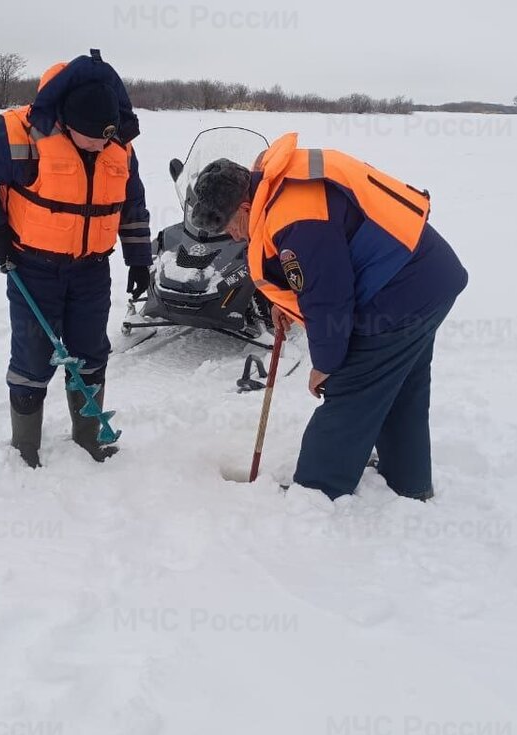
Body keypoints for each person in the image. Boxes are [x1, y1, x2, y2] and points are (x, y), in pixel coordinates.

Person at [188, 133, 468, 500]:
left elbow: (329, 297)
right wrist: (284, 302)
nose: (234, 236)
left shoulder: (294, 218)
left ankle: (317, 494)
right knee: (399, 387)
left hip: (402, 290)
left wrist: (326, 364)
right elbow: (316, 273)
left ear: (243, 206)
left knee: (351, 385)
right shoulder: (278, 190)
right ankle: (407, 481)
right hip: (425, 276)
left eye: (229, 227)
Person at [0, 49, 152, 466]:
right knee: (32, 356)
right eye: (94, 137)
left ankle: (88, 437)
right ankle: (25, 449)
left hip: (93, 270)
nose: (102, 145)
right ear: (67, 123)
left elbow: (131, 205)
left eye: (107, 137)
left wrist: (137, 258)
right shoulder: (20, 134)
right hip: (32, 268)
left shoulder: (119, 146)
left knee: (91, 351)